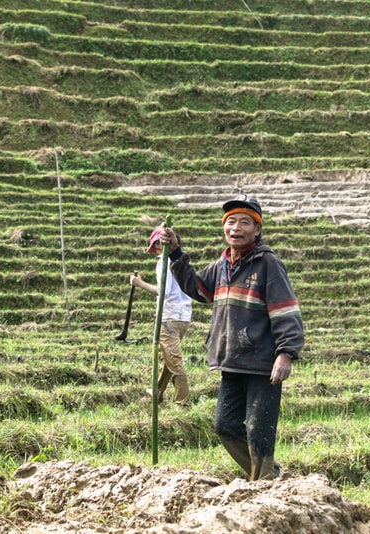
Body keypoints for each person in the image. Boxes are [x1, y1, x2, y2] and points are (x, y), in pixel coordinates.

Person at [159, 195, 304, 481]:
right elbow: (199, 289)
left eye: (244, 222)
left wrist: (285, 353)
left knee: (259, 431)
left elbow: (285, 309)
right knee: (225, 425)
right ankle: (269, 477)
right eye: (231, 222)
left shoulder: (267, 264)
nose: (236, 228)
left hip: (262, 363)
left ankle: (264, 484)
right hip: (231, 360)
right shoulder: (223, 264)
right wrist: (176, 254)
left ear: (257, 230)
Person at [130, 225, 193, 406]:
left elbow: (163, 292)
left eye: (156, 245)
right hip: (183, 317)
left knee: (174, 360)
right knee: (168, 357)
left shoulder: (163, 262)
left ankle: (183, 402)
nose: (155, 249)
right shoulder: (182, 261)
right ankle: (156, 393)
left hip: (169, 317)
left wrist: (139, 283)